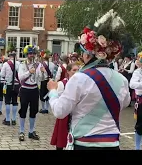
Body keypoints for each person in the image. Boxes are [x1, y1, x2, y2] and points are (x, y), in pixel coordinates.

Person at [47, 9, 130, 150]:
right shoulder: (121, 79)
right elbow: (125, 102)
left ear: (87, 55)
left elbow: (60, 111)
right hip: (112, 145)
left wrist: (53, 91)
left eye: (83, 52)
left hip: (85, 144)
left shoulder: (79, 78)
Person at [50, 63, 79, 150]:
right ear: (68, 72)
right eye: (74, 70)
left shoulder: (80, 83)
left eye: (78, 70)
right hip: (65, 114)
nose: (76, 72)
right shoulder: (62, 84)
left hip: (76, 115)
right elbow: (58, 100)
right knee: (61, 140)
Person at [17, 45, 41, 141]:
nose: (32, 55)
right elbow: (20, 78)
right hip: (25, 89)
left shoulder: (38, 65)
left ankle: (31, 131)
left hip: (34, 89)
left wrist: (43, 73)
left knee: (34, 111)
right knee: (23, 110)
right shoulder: (22, 65)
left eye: (33, 54)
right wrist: (29, 72)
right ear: (27, 55)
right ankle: (21, 131)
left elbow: (41, 78)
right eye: (30, 53)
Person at [0, 44, 21, 126]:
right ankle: (14, 119)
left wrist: (8, 76)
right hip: (16, 85)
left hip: (8, 85)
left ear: (9, 56)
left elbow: (2, 74)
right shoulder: (19, 64)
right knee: (15, 102)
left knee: (7, 102)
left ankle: (8, 119)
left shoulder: (5, 64)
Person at [129, 51, 142, 150]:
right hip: (141, 101)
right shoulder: (137, 72)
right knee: (140, 125)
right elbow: (132, 84)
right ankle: (137, 147)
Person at [38, 49, 56, 114]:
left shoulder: (41, 65)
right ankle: (47, 108)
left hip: (43, 81)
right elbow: (53, 73)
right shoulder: (53, 64)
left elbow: (40, 74)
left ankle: (43, 108)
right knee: (48, 94)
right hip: (50, 81)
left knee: (42, 94)